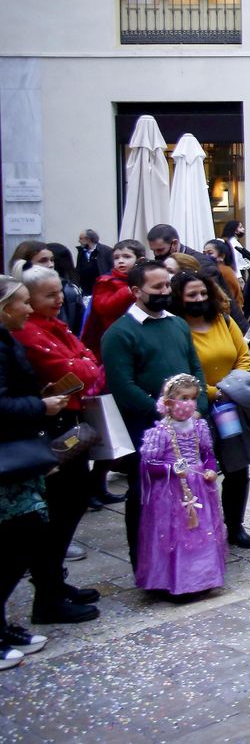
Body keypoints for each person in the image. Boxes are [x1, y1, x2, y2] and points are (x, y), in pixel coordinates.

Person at [100, 261, 209, 572]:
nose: (165, 292)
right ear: (136, 291)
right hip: (148, 427)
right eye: (157, 288)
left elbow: (194, 366)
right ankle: (148, 564)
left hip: (187, 423)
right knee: (146, 492)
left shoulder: (176, 324)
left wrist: (197, 404)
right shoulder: (120, 333)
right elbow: (123, 386)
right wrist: (163, 411)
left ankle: (187, 560)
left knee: (187, 489)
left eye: (167, 285)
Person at [12, 266, 105, 622]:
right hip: (49, 430)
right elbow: (81, 372)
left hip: (70, 424)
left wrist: (80, 365)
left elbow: (89, 364)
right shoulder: (29, 333)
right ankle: (47, 594)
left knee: (74, 502)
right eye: (49, 295)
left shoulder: (55, 325)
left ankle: (54, 584)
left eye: (59, 292)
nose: (60, 299)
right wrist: (80, 365)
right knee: (58, 509)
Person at [0, 276, 73, 663]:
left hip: (19, 449)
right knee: (18, 535)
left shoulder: (7, 338)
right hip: (9, 456)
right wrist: (39, 407)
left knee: (25, 532)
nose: (28, 310)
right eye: (22, 303)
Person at [171, 270, 250, 549]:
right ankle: (203, 527)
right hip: (197, 409)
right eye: (191, 295)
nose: (199, 299)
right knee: (200, 471)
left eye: (203, 293)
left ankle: (235, 526)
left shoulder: (224, 319)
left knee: (238, 467)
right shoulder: (176, 328)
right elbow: (183, 370)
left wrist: (232, 387)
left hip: (230, 404)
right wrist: (211, 392)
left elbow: (243, 355)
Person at [134, 373, 226, 598]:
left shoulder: (199, 426)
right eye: (183, 398)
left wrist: (211, 469)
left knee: (201, 531)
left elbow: (207, 453)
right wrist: (170, 470)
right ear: (168, 401)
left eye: (192, 398)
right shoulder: (160, 432)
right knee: (174, 533)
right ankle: (173, 580)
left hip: (199, 488)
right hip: (171, 492)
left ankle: (202, 578)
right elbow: (149, 465)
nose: (188, 404)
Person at [82, 239, 145, 356]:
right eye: (116, 258)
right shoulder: (106, 282)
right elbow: (104, 307)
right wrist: (127, 291)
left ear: (140, 260)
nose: (120, 261)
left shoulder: (146, 279)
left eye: (126, 257)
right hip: (114, 335)